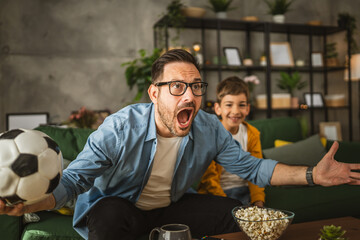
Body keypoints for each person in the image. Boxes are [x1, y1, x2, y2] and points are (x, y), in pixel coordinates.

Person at [1, 49, 359, 240]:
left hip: (170, 207)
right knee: (107, 217)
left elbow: (252, 168)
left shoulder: (208, 127)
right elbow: (75, 180)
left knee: (228, 213)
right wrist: (33, 202)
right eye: (177, 87)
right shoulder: (119, 128)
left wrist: (313, 174)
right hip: (121, 207)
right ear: (154, 93)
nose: (190, 95)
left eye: (196, 86)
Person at [197, 76, 265, 207]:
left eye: (241, 105)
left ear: (247, 109)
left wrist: (258, 200)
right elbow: (209, 179)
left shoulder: (252, 134)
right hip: (217, 194)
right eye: (229, 105)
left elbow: (257, 171)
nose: (235, 111)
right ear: (218, 108)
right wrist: (226, 205)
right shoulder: (210, 135)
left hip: (245, 192)